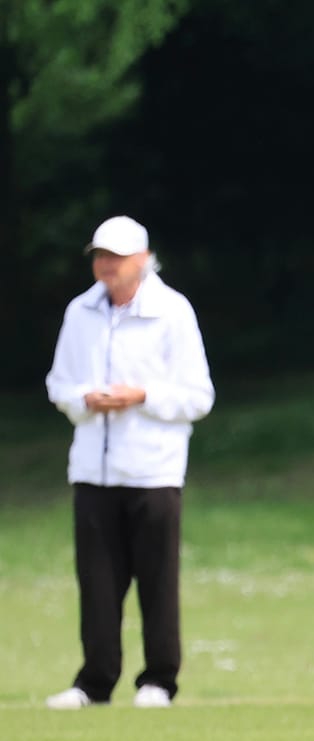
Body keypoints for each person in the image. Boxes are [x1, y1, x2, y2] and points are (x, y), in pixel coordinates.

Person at [44, 215, 215, 710]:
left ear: (142, 259)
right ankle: (94, 683)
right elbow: (58, 384)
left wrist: (140, 396)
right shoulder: (80, 312)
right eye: (100, 256)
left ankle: (159, 680)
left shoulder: (173, 312)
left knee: (157, 581)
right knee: (97, 582)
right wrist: (85, 399)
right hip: (92, 471)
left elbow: (198, 396)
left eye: (116, 257)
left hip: (153, 470)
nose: (106, 265)